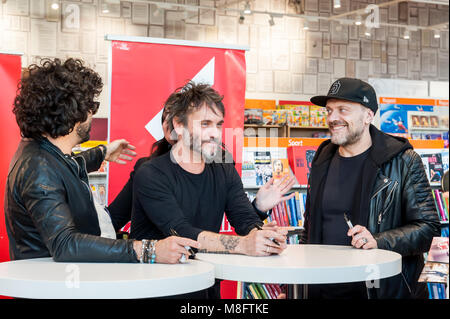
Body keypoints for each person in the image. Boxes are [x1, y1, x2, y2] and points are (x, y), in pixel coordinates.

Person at [5, 58, 198, 264]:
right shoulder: (39, 168)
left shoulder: (43, 154)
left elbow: (66, 168)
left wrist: (102, 153)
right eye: (90, 108)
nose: (92, 115)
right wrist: (147, 250)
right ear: (72, 114)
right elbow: (65, 245)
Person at [300, 78, 441, 299]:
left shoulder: (402, 160)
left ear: (368, 116)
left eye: (342, 110)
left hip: (380, 290)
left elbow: (429, 229)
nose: (332, 118)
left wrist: (379, 240)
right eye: (328, 111)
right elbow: (309, 229)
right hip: (322, 289)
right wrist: (297, 285)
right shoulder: (322, 158)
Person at [107, 103, 296, 232]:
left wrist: (259, 210)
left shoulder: (222, 168)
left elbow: (241, 219)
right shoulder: (149, 172)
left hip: (207, 278)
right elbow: (113, 220)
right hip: (160, 278)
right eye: (167, 120)